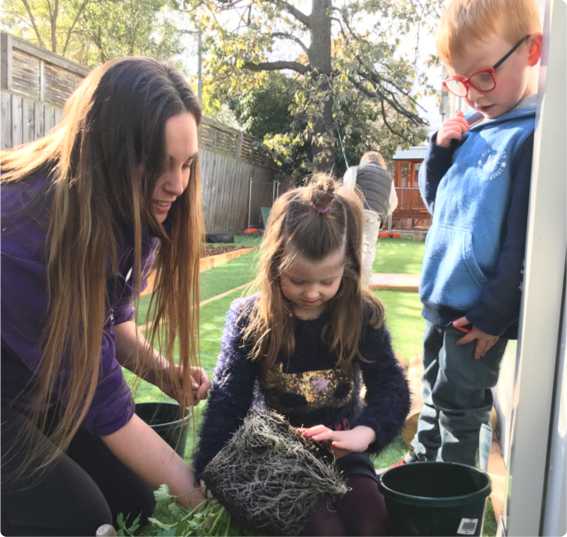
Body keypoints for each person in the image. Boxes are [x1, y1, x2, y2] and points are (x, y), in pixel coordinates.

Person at [1, 57, 210, 536]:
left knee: (134, 501)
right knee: (81, 519)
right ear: (110, 154)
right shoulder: (27, 239)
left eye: (187, 165)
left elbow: (111, 324)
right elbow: (106, 405)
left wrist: (163, 372)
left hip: (36, 374)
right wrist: (201, 495)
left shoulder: (135, 211)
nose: (178, 185)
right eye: (161, 165)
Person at [193, 175, 410, 535]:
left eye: (327, 281)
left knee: (372, 521)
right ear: (275, 264)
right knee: (324, 532)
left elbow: (390, 385)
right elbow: (228, 400)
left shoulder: (362, 315)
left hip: (343, 453)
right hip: (277, 461)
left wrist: (365, 432)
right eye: (298, 280)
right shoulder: (250, 319)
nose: (312, 293)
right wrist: (207, 470)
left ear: (348, 265)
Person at [407, 0, 543, 467]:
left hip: (477, 316)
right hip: (440, 301)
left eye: (483, 76)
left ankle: (455, 501)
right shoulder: (476, 130)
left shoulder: (528, 139)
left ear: (532, 51)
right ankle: (421, 476)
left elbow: (519, 243)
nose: (473, 94)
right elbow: (437, 204)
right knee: (431, 397)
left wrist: (493, 315)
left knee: (461, 411)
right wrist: (441, 154)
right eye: (461, 82)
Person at [345, 151, 398, 286]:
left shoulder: (355, 170)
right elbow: (393, 202)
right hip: (374, 217)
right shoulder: (388, 178)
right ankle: (363, 285)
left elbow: (347, 190)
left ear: (365, 160)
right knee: (367, 250)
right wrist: (383, 214)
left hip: (355, 213)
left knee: (349, 246)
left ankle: (347, 279)